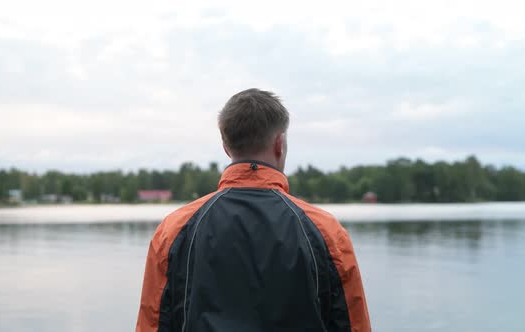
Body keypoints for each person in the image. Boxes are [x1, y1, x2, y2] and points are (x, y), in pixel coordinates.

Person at [135, 88, 371, 332]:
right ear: (279, 144)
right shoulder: (326, 232)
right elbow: (353, 326)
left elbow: (152, 325)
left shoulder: (174, 230)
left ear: (226, 148)